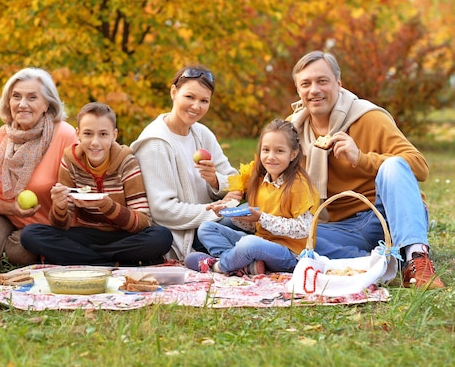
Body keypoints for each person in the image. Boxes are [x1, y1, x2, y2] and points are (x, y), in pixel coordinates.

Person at [289, 50, 444, 289]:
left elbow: (419, 167)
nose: (314, 90)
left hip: (388, 215)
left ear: (338, 84)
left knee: (392, 165)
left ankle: (416, 258)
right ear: (298, 90)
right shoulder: (292, 131)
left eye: (322, 81)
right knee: (282, 235)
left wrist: (360, 158)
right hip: (340, 227)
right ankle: (373, 258)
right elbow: (266, 175)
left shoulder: (367, 117)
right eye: (306, 84)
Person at [0, 68, 77, 271]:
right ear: (8, 102)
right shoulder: (2, 136)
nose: (22, 104)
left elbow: (74, 192)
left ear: (47, 103)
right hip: (5, 214)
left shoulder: (64, 134)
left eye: (32, 97)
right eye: (16, 96)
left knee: (18, 253)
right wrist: (11, 209)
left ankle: (6, 246)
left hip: (46, 224)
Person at [20, 102, 173, 266]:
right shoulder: (70, 161)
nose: (95, 142)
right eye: (88, 133)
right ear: (78, 134)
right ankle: (115, 264)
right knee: (30, 234)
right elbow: (61, 225)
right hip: (87, 235)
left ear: (114, 135)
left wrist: (108, 206)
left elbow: (143, 223)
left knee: (161, 237)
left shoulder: (127, 163)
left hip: (123, 236)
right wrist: (60, 206)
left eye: (103, 134)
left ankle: (85, 260)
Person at [130, 66, 239, 261]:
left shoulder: (202, 133)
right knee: (245, 224)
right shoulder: (155, 143)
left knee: (255, 214)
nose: (196, 106)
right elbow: (163, 210)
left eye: (204, 101)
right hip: (183, 235)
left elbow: (235, 181)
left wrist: (216, 181)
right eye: (190, 97)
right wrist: (215, 212)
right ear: (174, 92)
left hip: (213, 221)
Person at [185, 119, 320, 276]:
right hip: (261, 243)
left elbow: (304, 229)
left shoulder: (298, 185)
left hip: (290, 254)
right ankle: (244, 266)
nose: (271, 157)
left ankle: (218, 266)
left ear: (293, 154)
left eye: (279, 151)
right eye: (266, 150)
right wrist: (231, 214)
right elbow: (254, 226)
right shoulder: (260, 181)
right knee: (207, 228)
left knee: (250, 243)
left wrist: (261, 218)